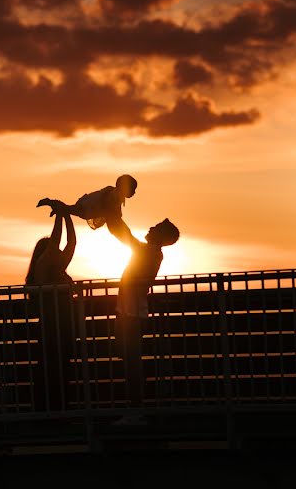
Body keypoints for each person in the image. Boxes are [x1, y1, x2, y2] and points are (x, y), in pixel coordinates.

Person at [108, 216, 180, 425]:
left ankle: (136, 409)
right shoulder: (151, 252)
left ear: (162, 237)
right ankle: (136, 405)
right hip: (130, 311)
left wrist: (112, 213)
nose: (150, 227)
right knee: (127, 356)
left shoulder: (148, 252)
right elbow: (124, 235)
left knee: (131, 362)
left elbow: (124, 235)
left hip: (132, 313)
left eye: (156, 227)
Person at [25, 201, 77, 412]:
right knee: (52, 370)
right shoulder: (44, 268)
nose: (56, 251)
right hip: (52, 326)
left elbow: (71, 244)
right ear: (44, 253)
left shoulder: (56, 268)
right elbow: (57, 241)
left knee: (62, 369)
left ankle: (60, 408)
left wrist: (66, 214)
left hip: (62, 326)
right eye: (51, 249)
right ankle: (50, 409)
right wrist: (60, 215)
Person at [37, 174, 137, 231]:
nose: (134, 192)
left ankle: (55, 206)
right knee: (70, 209)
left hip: (90, 206)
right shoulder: (116, 195)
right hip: (90, 207)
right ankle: (53, 203)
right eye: (133, 189)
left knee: (69, 209)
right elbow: (112, 208)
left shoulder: (115, 193)